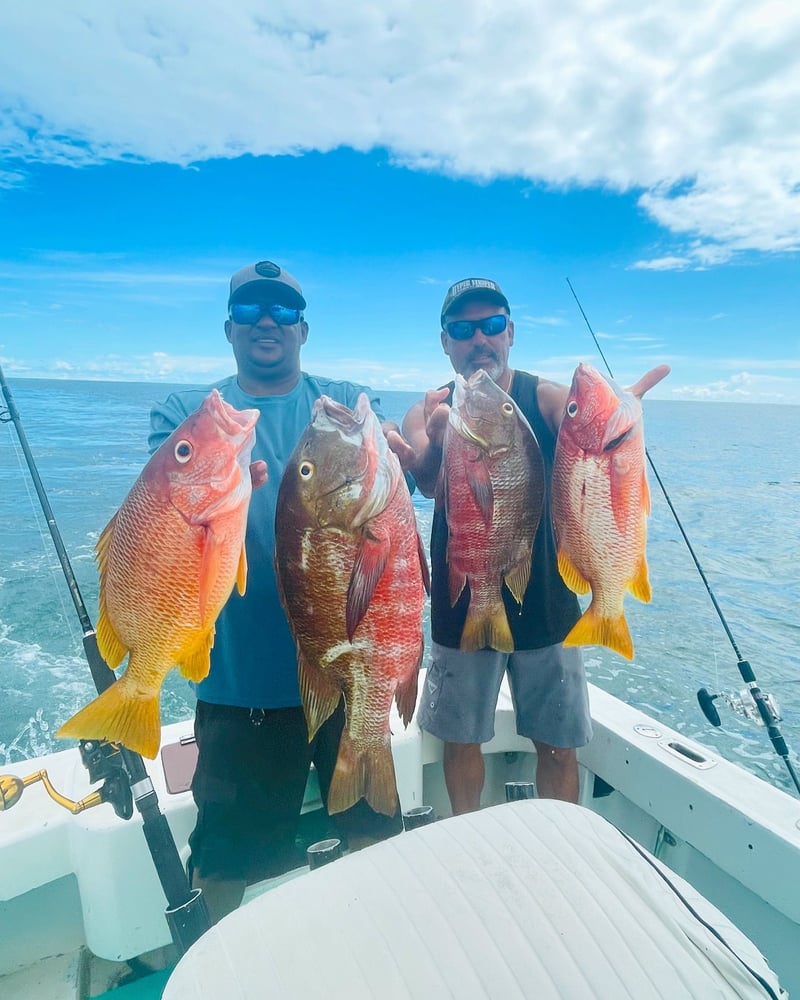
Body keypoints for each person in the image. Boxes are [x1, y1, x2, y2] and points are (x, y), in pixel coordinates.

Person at [149, 260, 402, 923]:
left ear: (304, 330)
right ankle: (214, 966)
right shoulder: (188, 417)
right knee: (228, 857)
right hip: (242, 683)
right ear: (229, 329)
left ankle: (380, 945)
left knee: (372, 828)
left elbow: (393, 455)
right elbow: (170, 520)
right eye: (253, 311)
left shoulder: (341, 403)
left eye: (284, 312)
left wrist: (425, 432)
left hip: (350, 667)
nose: (268, 322)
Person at [388, 277, 592, 814]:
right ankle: (466, 841)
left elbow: (586, 430)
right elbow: (429, 481)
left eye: (491, 324)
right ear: (446, 342)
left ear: (510, 333)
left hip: (545, 595)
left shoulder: (543, 397)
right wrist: (431, 440)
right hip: (464, 593)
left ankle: (561, 839)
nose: (479, 338)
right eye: (462, 328)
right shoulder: (430, 407)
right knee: (461, 741)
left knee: (558, 745)